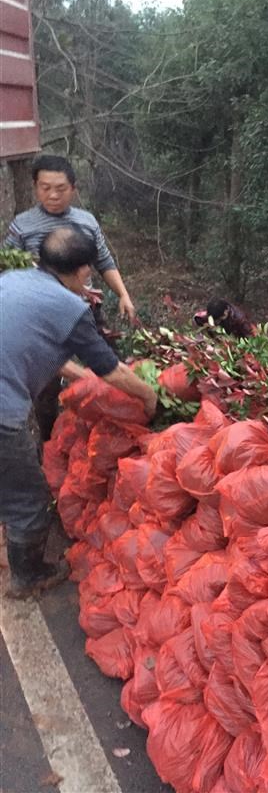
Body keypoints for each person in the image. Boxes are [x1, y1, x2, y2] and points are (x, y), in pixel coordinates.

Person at [0, 226, 157, 599]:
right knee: (30, 500)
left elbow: (28, 340)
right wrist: (150, 397)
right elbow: (113, 370)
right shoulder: (69, 307)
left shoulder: (12, 280)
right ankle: (29, 576)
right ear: (84, 270)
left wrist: (80, 375)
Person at [2, 154, 136, 440]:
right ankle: (50, 439)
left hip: (84, 308)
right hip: (39, 318)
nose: (52, 194)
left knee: (108, 365)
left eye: (60, 188)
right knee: (46, 383)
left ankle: (113, 428)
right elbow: (7, 268)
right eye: (44, 187)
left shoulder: (86, 222)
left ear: (73, 188)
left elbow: (104, 261)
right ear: (35, 187)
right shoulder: (22, 226)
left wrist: (123, 294)